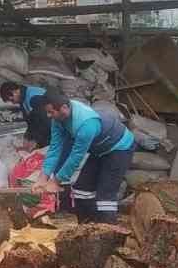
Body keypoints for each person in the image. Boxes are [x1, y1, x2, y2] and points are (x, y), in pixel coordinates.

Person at [36, 89, 134, 223]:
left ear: (64, 108)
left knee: (105, 194)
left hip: (119, 148)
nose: (48, 116)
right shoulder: (57, 120)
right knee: (82, 189)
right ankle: (87, 225)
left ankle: (109, 231)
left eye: (51, 112)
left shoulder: (86, 123)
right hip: (98, 149)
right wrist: (43, 176)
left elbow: (76, 157)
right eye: (47, 112)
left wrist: (56, 181)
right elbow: (55, 148)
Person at [0, 81, 51, 148]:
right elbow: (31, 122)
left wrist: (35, 140)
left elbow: (46, 122)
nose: (13, 103)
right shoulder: (22, 99)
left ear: (15, 92)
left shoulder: (34, 98)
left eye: (12, 100)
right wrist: (27, 137)